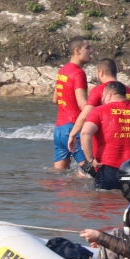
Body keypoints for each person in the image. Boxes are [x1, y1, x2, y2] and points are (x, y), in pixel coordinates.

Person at [79, 81, 130, 190]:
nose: (102, 99)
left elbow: (85, 132)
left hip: (108, 169)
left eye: (103, 96)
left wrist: (90, 159)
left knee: (103, 202)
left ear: (109, 95)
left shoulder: (99, 111)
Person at [67, 58, 130, 174]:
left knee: (80, 177)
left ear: (101, 73)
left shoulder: (99, 90)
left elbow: (84, 116)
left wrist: (72, 134)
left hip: (104, 156)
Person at [53, 36, 92, 171]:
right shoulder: (78, 73)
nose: (91, 51)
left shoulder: (62, 71)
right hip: (73, 129)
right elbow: (82, 103)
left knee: (59, 175)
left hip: (59, 130)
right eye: (88, 48)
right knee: (90, 171)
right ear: (77, 51)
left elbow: (55, 99)